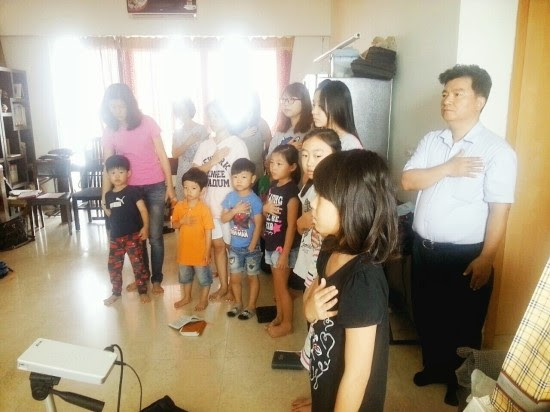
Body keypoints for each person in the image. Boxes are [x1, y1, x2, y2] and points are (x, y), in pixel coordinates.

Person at [401, 64, 517, 406]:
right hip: (423, 248)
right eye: (445, 94)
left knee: (463, 324)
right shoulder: (432, 140)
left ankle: (460, 382)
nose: (447, 100)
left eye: (457, 94)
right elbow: (408, 180)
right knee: (427, 314)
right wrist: (449, 168)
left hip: (465, 254)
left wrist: (488, 257)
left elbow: (500, 210)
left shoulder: (497, 151)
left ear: (480, 101)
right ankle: (434, 368)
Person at [303, 149, 398, 411]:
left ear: (352, 206)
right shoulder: (329, 247)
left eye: (322, 197)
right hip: (326, 381)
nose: (313, 204)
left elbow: (356, 376)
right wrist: (309, 310)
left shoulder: (364, 280)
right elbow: (310, 298)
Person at [101, 83, 176, 296]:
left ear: (130, 104)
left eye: (121, 106)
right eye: (113, 107)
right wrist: (104, 196)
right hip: (129, 190)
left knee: (155, 235)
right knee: (137, 237)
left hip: (155, 185)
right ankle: (141, 276)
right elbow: (107, 166)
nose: (117, 111)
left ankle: (156, 279)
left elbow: (162, 155)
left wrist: (170, 187)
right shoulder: (110, 131)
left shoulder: (147, 122)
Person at [192, 101, 249, 302]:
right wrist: (213, 160)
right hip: (210, 207)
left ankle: (235, 287)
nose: (213, 120)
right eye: (210, 116)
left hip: (233, 208)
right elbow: (193, 174)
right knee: (217, 247)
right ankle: (224, 286)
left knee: (234, 249)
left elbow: (245, 176)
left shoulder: (237, 144)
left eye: (217, 115)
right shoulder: (206, 145)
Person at [263, 144, 301, 337]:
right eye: (272, 163)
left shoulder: (291, 193)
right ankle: (279, 315)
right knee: (276, 287)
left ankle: (287, 324)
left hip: (282, 249)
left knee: (282, 287)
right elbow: (267, 211)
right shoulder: (273, 186)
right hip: (271, 244)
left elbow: (292, 226)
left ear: (292, 167)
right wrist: (265, 209)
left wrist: (285, 254)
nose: (274, 167)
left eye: (279, 164)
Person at [102, 155, 151, 306]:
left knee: (138, 265)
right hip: (116, 238)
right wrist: (104, 208)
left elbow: (143, 210)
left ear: (128, 173)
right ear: (108, 175)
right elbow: (111, 213)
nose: (117, 176)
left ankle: (142, 291)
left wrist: (145, 227)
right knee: (113, 267)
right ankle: (115, 292)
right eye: (113, 173)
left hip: (133, 236)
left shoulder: (133, 192)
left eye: (121, 172)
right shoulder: (108, 195)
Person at [221, 158, 263, 320]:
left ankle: (251, 306)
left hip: (251, 248)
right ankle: (238, 303)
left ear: (252, 179)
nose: (238, 180)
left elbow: (258, 224)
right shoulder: (230, 197)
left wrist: (253, 244)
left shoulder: (255, 200)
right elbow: (224, 218)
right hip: (235, 247)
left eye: (243, 177)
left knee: (252, 277)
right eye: (235, 177)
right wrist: (235, 210)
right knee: (235, 277)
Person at [171, 167, 214, 311]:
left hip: (200, 253)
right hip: (184, 252)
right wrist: (182, 222)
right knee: (185, 277)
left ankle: (204, 300)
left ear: (202, 191)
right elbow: (174, 224)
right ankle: (187, 297)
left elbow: (208, 231)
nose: (189, 191)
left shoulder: (204, 209)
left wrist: (207, 251)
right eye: (185, 187)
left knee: (204, 278)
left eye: (193, 188)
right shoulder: (179, 206)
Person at [171, 98, 209, 201]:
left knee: (200, 203)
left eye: (184, 109)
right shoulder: (177, 133)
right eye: (178, 110)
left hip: (199, 172)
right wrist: (188, 142)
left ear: (190, 109)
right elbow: (174, 154)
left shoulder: (201, 129)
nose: (182, 113)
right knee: (183, 204)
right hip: (183, 173)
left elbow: (208, 152)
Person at [312, 80, 363, 150]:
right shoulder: (319, 137)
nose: (313, 111)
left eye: (321, 105)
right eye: (313, 105)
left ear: (336, 106)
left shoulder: (350, 144)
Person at [267, 83, 313, 155]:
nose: (286, 103)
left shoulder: (312, 130)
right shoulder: (280, 131)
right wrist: (288, 149)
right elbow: (268, 160)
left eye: (292, 99)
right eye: (283, 99)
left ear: (304, 102)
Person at [238, 93, 272, 182]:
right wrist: (241, 136)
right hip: (237, 169)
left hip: (256, 170)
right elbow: (228, 143)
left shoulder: (261, 123)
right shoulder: (235, 123)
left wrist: (266, 160)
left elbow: (270, 145)